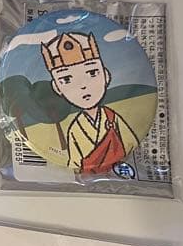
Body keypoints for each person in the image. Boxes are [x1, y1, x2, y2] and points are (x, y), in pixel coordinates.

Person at [41, 31, 140, 174]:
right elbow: (75, 162)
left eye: (92, 73)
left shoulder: (112, 118)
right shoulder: (75, 129)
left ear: (106, 75)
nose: (82, 85)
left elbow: (130, 142)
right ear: (57, 87)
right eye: (67, 79)